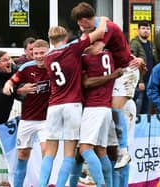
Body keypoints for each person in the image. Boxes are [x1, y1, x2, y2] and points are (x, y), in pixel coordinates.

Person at [71, 4, 140, 184]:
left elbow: (95, 50)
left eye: (81, 25)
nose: (82, 30)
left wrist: (71, 50)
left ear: (85, 20)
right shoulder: (98, 26)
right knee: (105, 146)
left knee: (115, 109)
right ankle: (99, 174)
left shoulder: (106, 27)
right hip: (118, 76)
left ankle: (124, 151)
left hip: (126, 72)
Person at [38, 17, 107, 187]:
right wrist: (103, 20)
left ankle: (41, 185)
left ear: (50, 40)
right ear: (66, 37)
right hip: (72, 104)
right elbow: (99, 32)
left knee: (50, 151)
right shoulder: (73, 48)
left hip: (54, 105)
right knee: (69, 153)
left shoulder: (47, 58)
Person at [70, 41, 123, 187]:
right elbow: (128, 58)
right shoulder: (110, 55)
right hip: (105, 108)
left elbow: (86, 83)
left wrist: (112, 76)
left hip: (93, 108)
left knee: (84, 149)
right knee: (100, 150)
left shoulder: (86, 58)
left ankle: (101, 184)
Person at [2, 39, 50, 187]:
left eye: (42, 53)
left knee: (46, 153)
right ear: (31, 54)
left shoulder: (54, 66)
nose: (39, 56)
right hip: (28, 118)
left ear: (48, 52)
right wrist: (11, 87)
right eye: (36, 53)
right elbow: (12, 82)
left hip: (46, 119)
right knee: (22, 155)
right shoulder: (26, 68)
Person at [130, 21, 155, 114]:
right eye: (143, 28)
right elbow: (132, 64)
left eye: (148, 29)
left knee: (147, 108)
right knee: (138, 108)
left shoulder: (150, 44)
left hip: (149, 81)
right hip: (139, 82)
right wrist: (140, 81)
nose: (146, 31)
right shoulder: (134, 43)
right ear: (138, 30)